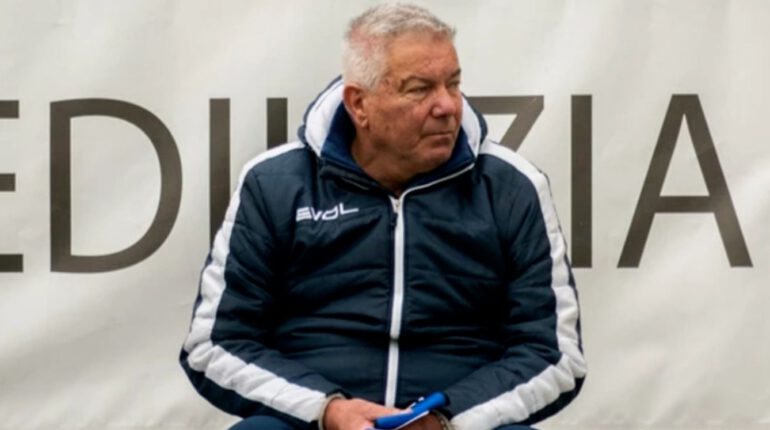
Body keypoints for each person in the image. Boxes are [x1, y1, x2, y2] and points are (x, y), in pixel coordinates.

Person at [180, 4, 586, 430]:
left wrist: (447, 419)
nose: (448, 106)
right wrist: (327, 410)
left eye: (453, 83)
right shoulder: (273, 185)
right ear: (359, 104)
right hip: (315, 420)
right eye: (419, 89)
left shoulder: (512, 187)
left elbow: (554, 355)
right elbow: (215, 344)